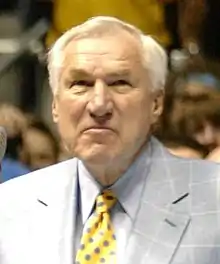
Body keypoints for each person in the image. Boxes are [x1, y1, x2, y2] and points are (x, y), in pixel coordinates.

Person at [0, 16, 220, 264]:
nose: (99, 104)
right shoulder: (9, 206)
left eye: (119, 83)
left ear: (156, 103)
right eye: (80, 84)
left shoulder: (214, 196)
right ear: (55, 106)